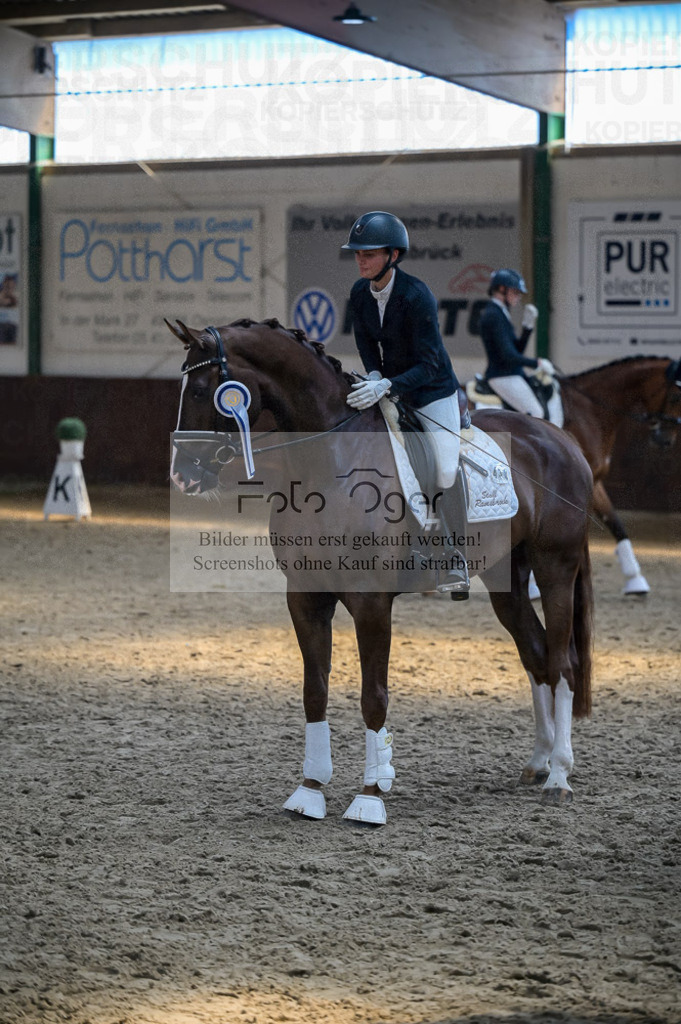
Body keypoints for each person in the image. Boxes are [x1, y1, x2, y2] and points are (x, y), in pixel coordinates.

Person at [342, 210, 468, 597]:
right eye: (358, 253)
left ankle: (452, 556)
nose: (361, 260)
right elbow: (366, 345)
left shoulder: (416, 296)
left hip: (432, 391)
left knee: (443, 467)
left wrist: (389, 385)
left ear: (393, 255)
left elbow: (430, 364)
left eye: (370, 253)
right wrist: (376, 377)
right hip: (392, 388)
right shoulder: (359, 294)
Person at [479, 268, 562, 426]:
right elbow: (508, 356)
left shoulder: (501, 312)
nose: (518, 297)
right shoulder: (493, 315)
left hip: (512, 373)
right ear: (502, 290)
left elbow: (517, 351)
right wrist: (537, 363)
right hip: (502, 376)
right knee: (536, 413)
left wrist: (527, 328)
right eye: (515, 292)